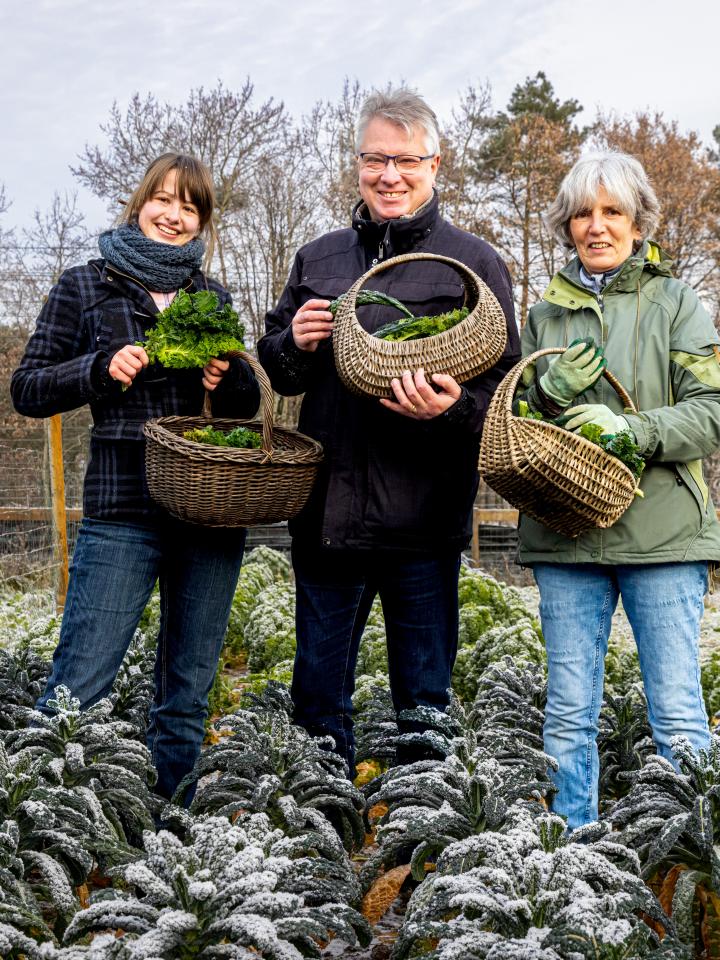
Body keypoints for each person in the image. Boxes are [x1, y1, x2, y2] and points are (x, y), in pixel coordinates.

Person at [258, 88, 519, 774]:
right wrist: (295, 341)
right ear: (358, 163)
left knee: (424, 711)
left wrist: (453, 407)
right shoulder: (319, 258)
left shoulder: (475, 264)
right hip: (327, 520)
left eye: (406, 161)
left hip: (424, 524)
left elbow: (507, 390)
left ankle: (416, 847)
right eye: (376, 158)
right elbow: (279, 372)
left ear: (436, 165)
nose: (389, 175)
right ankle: (322, 839)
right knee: (317, 699)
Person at [11, 153, 260, 801]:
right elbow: (28, 388)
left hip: (209, 514)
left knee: (187, 691)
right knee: (79, 682)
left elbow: (242, 411)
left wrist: (227, 379)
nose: (175, 216)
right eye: (165, 200)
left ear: (201, 220)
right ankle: (39, 818)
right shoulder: (84, 286)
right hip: (122, 508)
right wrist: (99, 367)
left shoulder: (212, 297)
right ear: (140, 202)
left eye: (191, 207)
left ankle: (167, 820)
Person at [517, 150, 720, 829]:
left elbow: (712, 411)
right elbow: (516, 425)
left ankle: (697, 853)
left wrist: (628, 427)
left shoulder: (676, 302)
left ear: (638, 223)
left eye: (612, 212)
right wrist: (547, 390)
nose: (595, 226)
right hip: (565, 536)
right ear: (566, 224)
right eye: (582, 213)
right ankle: (574, 859)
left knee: (677, 711)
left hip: (663, 536)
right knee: (569, 710)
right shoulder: (546, 312)